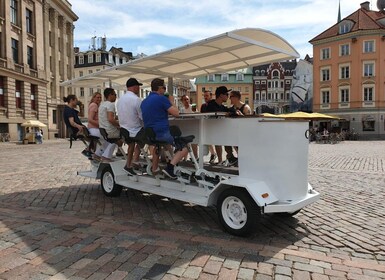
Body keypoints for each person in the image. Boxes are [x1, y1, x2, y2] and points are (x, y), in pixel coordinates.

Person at [141, 78, 188, 179]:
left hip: (150, 135)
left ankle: (154, 169)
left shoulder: (144, 102)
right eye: (164, 88)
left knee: (159, 145)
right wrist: (171, 102)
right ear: (159, 88)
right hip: (162, 133)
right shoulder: (161, 99)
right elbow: (176, 113)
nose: (165, 90)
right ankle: (170, 168)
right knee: (184, 147)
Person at [204, 86, 238, 166]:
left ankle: (229, 157)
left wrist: (233, 111)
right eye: (226, 94)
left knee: (231, 134)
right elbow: (215, 113)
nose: (228, 96)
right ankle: (228, 157)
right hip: (211, 132)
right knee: (229, 135)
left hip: (219, 131)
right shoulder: (211, 106)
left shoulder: (221, 106)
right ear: (221, 95)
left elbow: (230, 110)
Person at [117, 78, 143, 176]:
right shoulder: (136, 100)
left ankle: (129, 165)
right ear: (135, 87)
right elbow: (142, 117)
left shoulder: (120, 100)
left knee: (131, 145)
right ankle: (135, 160)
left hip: (124, 129)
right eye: (138, 86)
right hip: (135, 130)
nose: (139, 88)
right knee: (148, 136)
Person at [98, 88, 121, 162]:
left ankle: (97, 154)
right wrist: (119, 125)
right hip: (110, 130)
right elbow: (111, 119)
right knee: (122, 135)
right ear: (110, 95)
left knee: (109, 140)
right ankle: (107, 156)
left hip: (103, 129)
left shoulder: (102, 105)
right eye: (115, 95)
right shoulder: (111, 105)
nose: (116, 97)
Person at [87, 92, 108, 159]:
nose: (99, 99)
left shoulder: (94, 105)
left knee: (105, 141)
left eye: (100, 97)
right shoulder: (94, 105)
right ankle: (100, 155)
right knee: (110, 139)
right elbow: (90, 119)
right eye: (97, 97)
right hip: (94, 129)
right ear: (93, 98)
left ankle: (98, 154)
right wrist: (101, 124)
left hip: (93, 129)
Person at [200, 90, 217, 163]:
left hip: (213, 125)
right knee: (207, 140)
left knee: (214, 141)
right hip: (206, 124)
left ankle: (215, 155)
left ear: (211, 96)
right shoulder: (203, 106)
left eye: (207, 96)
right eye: (204, 96)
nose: (205, 97)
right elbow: (201, 115)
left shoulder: (214, 104)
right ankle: (213, 154)